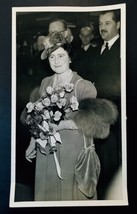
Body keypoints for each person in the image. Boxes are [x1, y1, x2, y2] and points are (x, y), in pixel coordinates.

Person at [20, 32, 118, 201]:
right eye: (52, 56)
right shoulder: (45, 83)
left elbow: (96, 123)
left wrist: (60, 125)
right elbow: (38, 117)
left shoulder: (82, 85)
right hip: (47, 152)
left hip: (71, 153)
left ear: (70, 57)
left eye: (61, 55)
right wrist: (33, 142)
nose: (56, 61)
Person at [92, 9, 121, 199]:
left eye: (107, 23)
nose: (102, 27)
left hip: (116, 117)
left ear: (118, 25)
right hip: (98, 115)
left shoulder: (123, 49)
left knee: (112, 160)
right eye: (101, 24)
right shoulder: (97, 50)